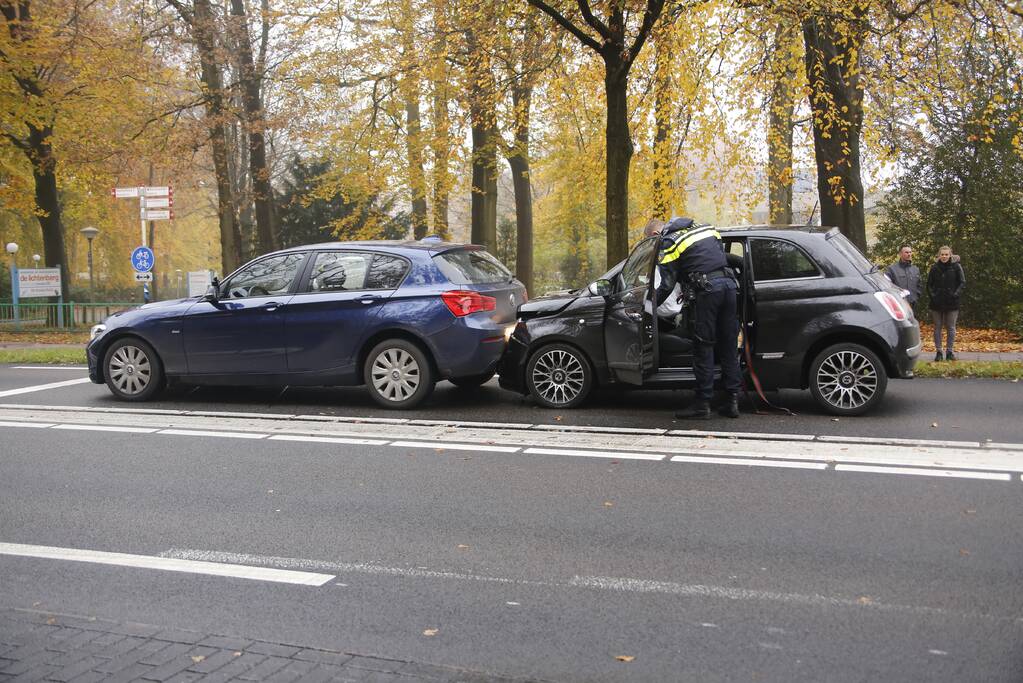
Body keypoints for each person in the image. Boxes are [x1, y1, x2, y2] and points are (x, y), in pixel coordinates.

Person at [655, 217, 741, 419]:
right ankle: (732, 401)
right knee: (728, 345)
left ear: (660, 233)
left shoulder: (670, 240)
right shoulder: (708, 228)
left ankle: (702, 404)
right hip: (729, 288)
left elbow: (667, 283)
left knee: (704, 346)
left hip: (708, 292)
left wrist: (649, 304)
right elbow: (719, 257)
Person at [927, 245, 965, 361]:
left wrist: (955, 294)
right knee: (937, 327)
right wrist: (933, 296)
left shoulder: (956, 267)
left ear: (950, 255)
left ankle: (949, 352)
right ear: (939, 255)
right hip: (936, 303)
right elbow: (929, 285)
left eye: (946, 254)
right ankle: (939, 352)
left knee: (951, 328)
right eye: (942, 254)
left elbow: (962, 282)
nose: (944, 256)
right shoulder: (934, 268)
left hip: (952, 302)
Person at [884, 244, 921, 309]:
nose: (909, 254)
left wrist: (915, 297)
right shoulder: (892, 269)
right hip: (899, 304)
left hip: (913, 304)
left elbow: (919, 285)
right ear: (900, 254)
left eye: (910, 252)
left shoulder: (915, 269)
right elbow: (886, 286)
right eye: (906, 252)